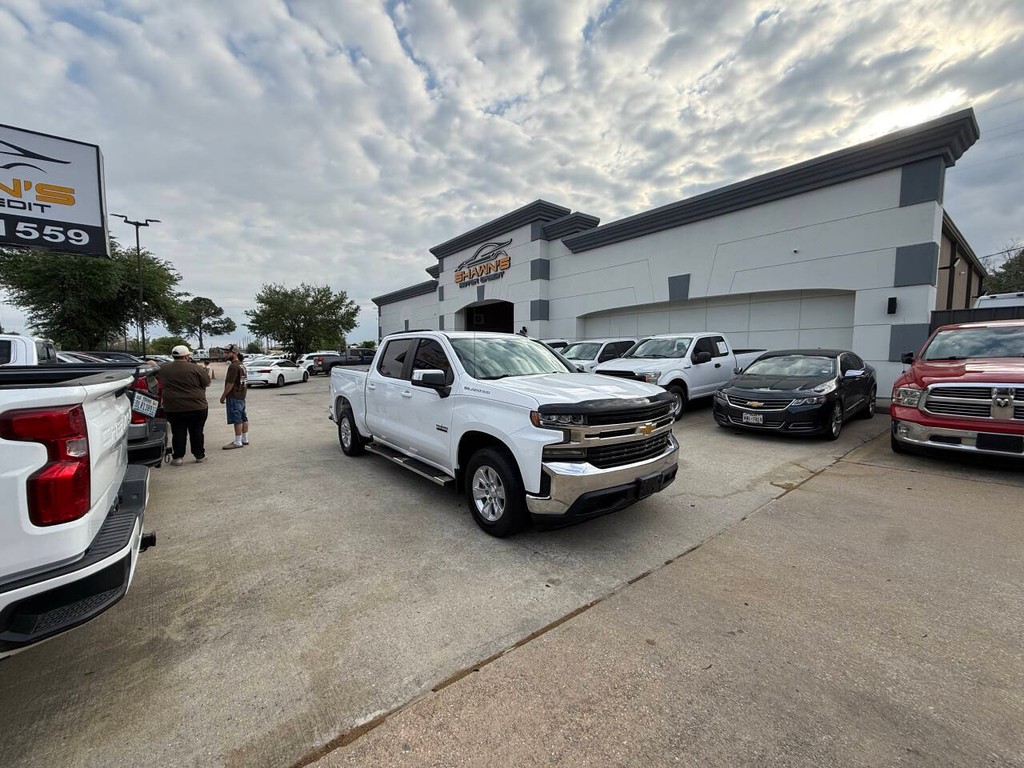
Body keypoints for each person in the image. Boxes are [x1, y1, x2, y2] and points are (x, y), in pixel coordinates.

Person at [156, 344, 211, 465]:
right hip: (196, 406)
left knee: (178, 432)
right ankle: (199, 456)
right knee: (197, 431)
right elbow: (207, 383)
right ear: (186, 356)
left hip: (173, 407)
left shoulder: (163, 368)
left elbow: (153, 371)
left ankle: (178, 458)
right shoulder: (195, 368)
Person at [220, 344, 249, 449]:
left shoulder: (233, 366)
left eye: (227, 352)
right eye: (225, 352)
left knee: (237, 419)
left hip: (234, 395)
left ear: (234, 353)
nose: (225, 354)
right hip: (241, 395)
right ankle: (245, 438)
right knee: (243, 417)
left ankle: (237, 441)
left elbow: (230, 383)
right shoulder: (241, 365)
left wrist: (223, 395)